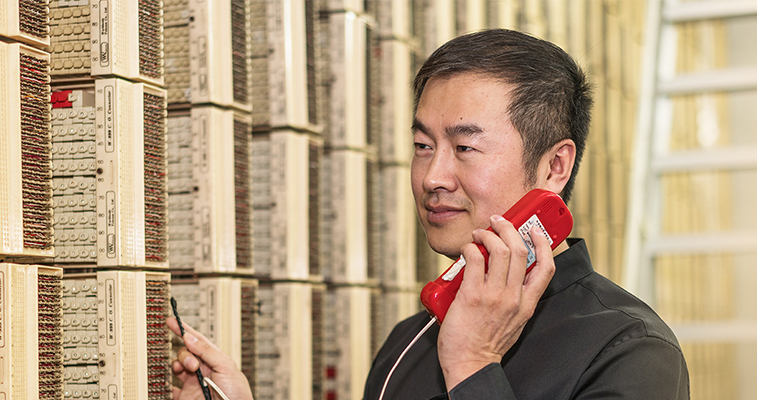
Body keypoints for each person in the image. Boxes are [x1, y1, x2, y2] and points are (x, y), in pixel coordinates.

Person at [170, 28, 689, 400]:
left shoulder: (630, 352)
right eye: (423, 145)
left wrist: (473, 364)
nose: (433, 176)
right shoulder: (409, 340)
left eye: (464, 148)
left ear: (555, 166)